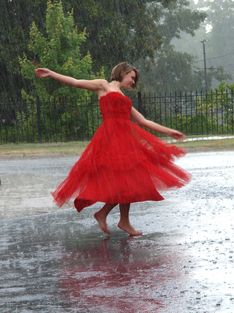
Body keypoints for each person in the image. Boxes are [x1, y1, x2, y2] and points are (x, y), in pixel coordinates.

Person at [35, 62, 190, 236]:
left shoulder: (124, 97)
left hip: (126, 141)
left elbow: (143, 121)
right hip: (110, 141)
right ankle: (113, 217)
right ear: (122, 73)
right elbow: (75, 82)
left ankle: (115, 218)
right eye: (132, 77)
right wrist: (51, 73)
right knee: (121, 181)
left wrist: (170, 131)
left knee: (128, 180)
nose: (133, 82)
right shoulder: (103, 85)